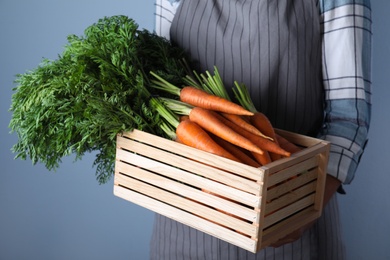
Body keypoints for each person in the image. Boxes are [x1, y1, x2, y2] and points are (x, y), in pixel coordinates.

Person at [151, 0, 372, 259]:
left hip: (290, 216)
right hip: (183, 224)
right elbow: (160, 78)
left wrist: (301, 213)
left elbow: (349, 120)